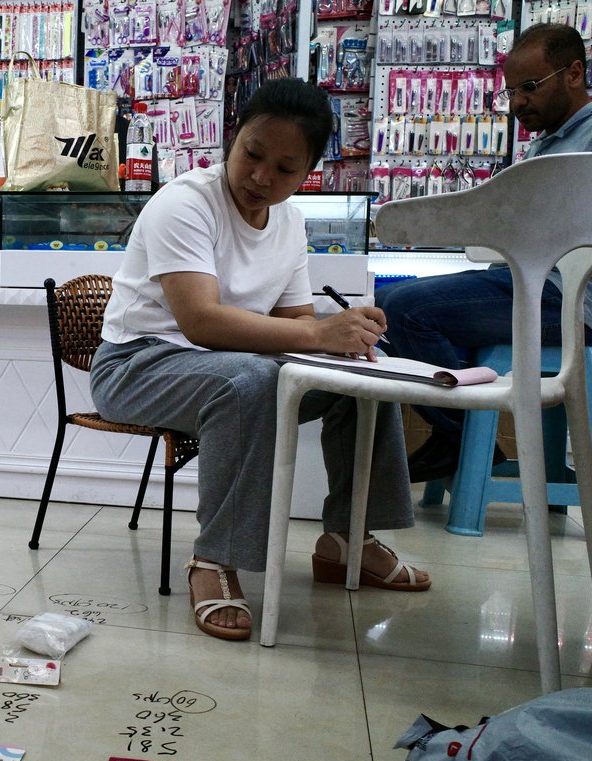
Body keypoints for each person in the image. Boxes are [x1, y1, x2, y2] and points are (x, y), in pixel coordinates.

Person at [89, 78, 428, 643]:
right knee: (249, 379)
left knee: (363, 377)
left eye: (285, 168)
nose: (262, 177)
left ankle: (349, 539)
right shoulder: (185, 203)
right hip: (138, 364)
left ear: (309, 171)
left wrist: (340, 340)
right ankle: (214, 559)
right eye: (252, 154)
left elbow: (296, 326)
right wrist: (320, 333)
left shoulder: (289, 221)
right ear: (233, 136)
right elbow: (201, 322)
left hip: (226, 367)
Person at [377, 23, 592, 483]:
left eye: (529, 87)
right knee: (389, 300)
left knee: (407, 310)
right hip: (532, 282)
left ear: (573, 73)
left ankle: (467, 441)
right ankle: (464, 439)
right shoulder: (548, 145)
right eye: (511, 91)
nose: (518, 103)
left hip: (572, 296)